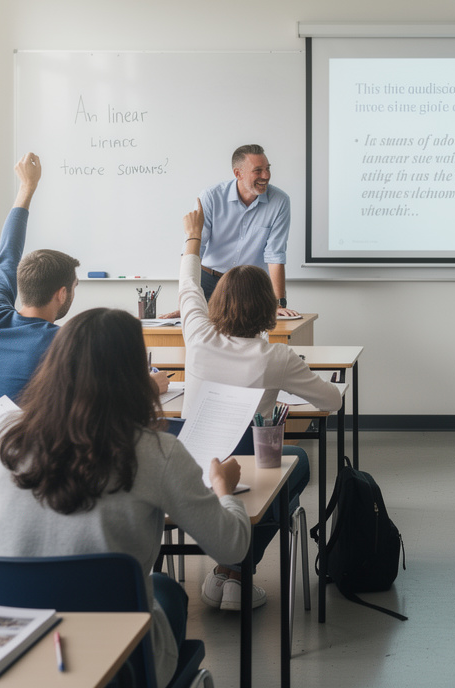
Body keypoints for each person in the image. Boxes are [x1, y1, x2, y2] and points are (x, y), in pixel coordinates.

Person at [0, 308, 251, 688]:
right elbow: (232, 547)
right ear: (133, 375)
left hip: (18, 647)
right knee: (168, 592)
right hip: (118, 658)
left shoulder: (7, 435)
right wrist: (223, 488)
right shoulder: (157, 451)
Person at [180, 200, 339, 609]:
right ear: (268, 306)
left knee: (277, 475)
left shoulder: (197, 336)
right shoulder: (276, 358)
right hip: (246, 469)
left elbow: (188, 285)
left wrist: (193, 237)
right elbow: (332, 401)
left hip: (189, 469)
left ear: (217, 303)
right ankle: (238, 572)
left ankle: (227, 570)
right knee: (296, 463)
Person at [0, 154, 164, 417]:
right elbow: (112, 397)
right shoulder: (63, 343)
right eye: (75, 287)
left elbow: (7, 255)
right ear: (62, 293)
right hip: (19, 444)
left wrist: (26, 188)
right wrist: (151, 385)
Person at [191, 144, 298, 317]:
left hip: (251, 284)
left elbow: (275, 254)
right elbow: (195, 249)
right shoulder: (211, 197)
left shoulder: (280, 201)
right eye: (258, 170)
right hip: (211, 282)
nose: (266, 176)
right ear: (238, 173)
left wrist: (278, 304)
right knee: (204, 330)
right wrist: (188, 300)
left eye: (268, 169)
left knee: (254, 330)